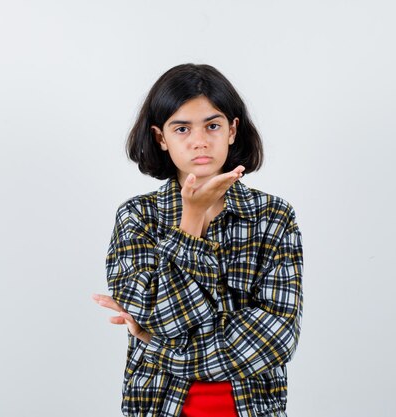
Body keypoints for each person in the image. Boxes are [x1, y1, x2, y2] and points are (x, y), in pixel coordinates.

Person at [92, 63, 304, 417]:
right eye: (182, 128)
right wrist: (190, 220)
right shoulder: (137, 217)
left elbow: (275, 339)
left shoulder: (273, 216)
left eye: (212, 125)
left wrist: (157, 345)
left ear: (232, 131)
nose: (199, 140)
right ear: (161, 138)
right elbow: (166, 320)